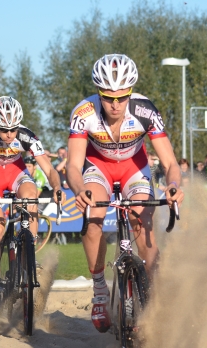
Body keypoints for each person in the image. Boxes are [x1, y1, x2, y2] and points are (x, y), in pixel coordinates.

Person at [66, 54, 184, 333]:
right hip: (98, 168)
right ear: (98, 92)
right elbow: (73, 164)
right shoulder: (83, 113)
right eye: (108, 97)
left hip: (135, 168)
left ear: (130, 92)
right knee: (92, 217)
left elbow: (169, 163)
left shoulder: (145, 110)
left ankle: (153, 296)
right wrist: (79, 188)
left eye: (122, 97)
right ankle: (98, 290)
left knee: (142, 222)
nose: (115, 104)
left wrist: (174, 186)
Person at [0, 96, 64, 315]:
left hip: (16, 174)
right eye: (4, 130)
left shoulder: (26, 136)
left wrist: (56, 187)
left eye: (13, 129)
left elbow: (49, 168)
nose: (8, 134)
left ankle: (29, 252)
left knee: (30, 195)